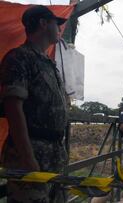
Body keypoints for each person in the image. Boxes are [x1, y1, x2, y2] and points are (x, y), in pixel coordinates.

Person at [0, 5, 68, 202]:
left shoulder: (48, 63)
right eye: (57, 24)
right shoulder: (19, 58)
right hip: (31, 151)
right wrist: (27, 157)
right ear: (43, 23)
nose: (60, 29)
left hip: (53, 154)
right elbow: (13, 109)